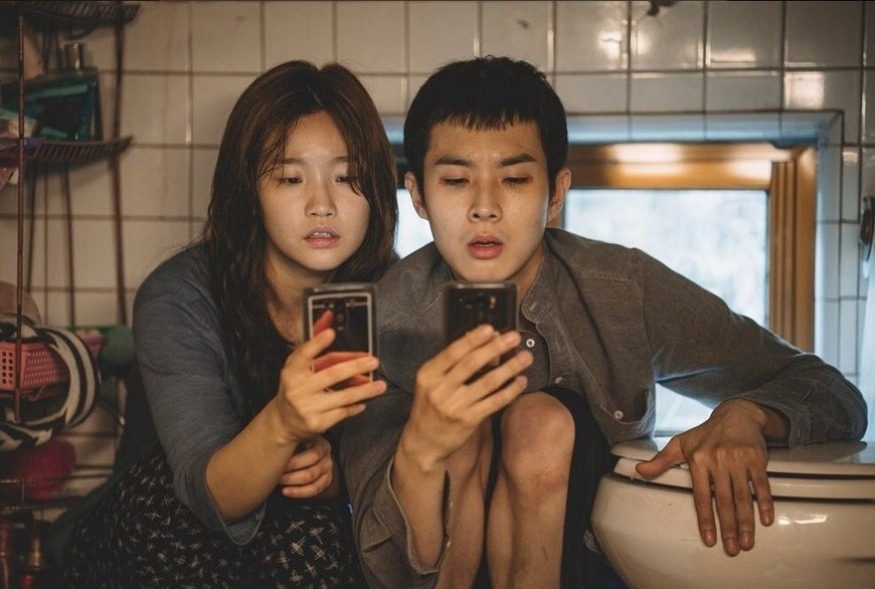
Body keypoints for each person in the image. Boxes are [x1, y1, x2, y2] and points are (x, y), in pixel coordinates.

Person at [339, 55, 868, 589]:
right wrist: (422, 447)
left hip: (588, 566)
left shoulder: (621, 289)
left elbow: (831, 392)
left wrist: (747, 415)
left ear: (555, 193)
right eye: (456, 180)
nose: (485, 207)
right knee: (456, 432)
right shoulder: (379, 320)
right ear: (418, 195)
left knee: (538, 421)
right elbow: (380, 563)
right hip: (434, 570)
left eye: (515, 179)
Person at [55, 60, 397, 587]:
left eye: (348, 177)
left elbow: (405, 466)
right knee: (167, 485)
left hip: (291, 545)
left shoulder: (396, 294)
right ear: (249, 191)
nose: (322, 205)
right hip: (150, 539)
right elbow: (204, 493)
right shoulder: (181, 295)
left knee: (319, 533)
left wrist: (337, 479)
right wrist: (282, 423)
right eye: (290, 178)